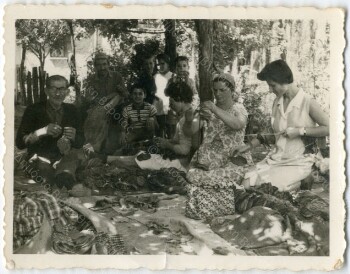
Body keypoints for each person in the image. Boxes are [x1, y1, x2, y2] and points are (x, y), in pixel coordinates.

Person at [234, 59, 329, 191]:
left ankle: (303, 182)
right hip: (276, 159)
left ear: (284, 80)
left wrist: (300, 131)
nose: (270, 89)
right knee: (246, 182)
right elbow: (272, 134)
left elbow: (329, 128)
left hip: (298, 162)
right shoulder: (277, 102)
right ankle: (290, 186)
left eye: (272, 85)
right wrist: (249, 146)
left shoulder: (307, 102)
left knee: (264, 188)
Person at [185, 73, 252, 221]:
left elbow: (238, 124)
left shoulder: (238, 108)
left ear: (232, 90)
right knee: (192, 174)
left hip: (234, 160)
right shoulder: (209, 110)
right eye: (215, 90)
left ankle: (228, 192)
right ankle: (223, 192)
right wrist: (190, 119)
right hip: (210, 161)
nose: (217, 94)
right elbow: (189, 131)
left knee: (197, 177)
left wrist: (214, 109)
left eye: (222, 90)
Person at [106, 81, 195, 172]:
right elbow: (177, 141)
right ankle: (107, 158)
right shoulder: (184, 117)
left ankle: (106, 159)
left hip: (182, 163)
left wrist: (167, 145)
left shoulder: (190, 118)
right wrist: (165, 141)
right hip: (175, 157)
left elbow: (185, 150)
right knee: (140, 156)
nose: (170, 105)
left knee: (143, 160)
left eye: (171, 102)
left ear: (179, 99)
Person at [16, 75, 84, 190]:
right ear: (46, 90)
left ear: (67, 92)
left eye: (62, 89)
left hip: (64, 159)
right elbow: (20, 142)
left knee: (65, 178)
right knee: (46, 180)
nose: (58, 93)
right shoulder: (33, 110)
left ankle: (65, 180)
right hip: (40, 158)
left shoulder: (72, 110)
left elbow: (80, 142)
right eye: (53, 88)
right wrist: (42, 131)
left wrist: (74, 137)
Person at [82, 52, 128, 155]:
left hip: (116, 108)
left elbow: (125, 94)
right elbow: (89, 99)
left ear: (108, 64)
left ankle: (100, 148)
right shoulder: (92, 79)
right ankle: (93, 147)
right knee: (96, 116)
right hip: (100, 109)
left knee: (116, 98)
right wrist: (104, 98)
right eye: (99, 65)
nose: (102, 67)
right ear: (95, 66)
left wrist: (113, 95)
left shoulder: (116, 76)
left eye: (104, 64)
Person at [165, 56, 198, 138]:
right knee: (173, 130)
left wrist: (186, 81)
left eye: (184, 66)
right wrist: (173, 83)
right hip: (174, 110)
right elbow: (167, 93)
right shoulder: (171, 80)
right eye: (179, 66)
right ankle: (171, 143)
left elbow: (193, 94)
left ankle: (183, 145)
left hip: (185, 110)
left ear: (188, 67)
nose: (182, 68)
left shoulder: (190, 81)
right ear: (175, 68)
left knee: (184, 129)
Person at [154, 53, 173, 137]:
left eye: (162, 63)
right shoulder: (155, 77)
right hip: (158, 109)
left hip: (171, 109)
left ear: (168, 64)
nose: (160, 66)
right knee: (159, 132)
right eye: (158, 64)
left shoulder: (173, 76)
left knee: (171, 133)